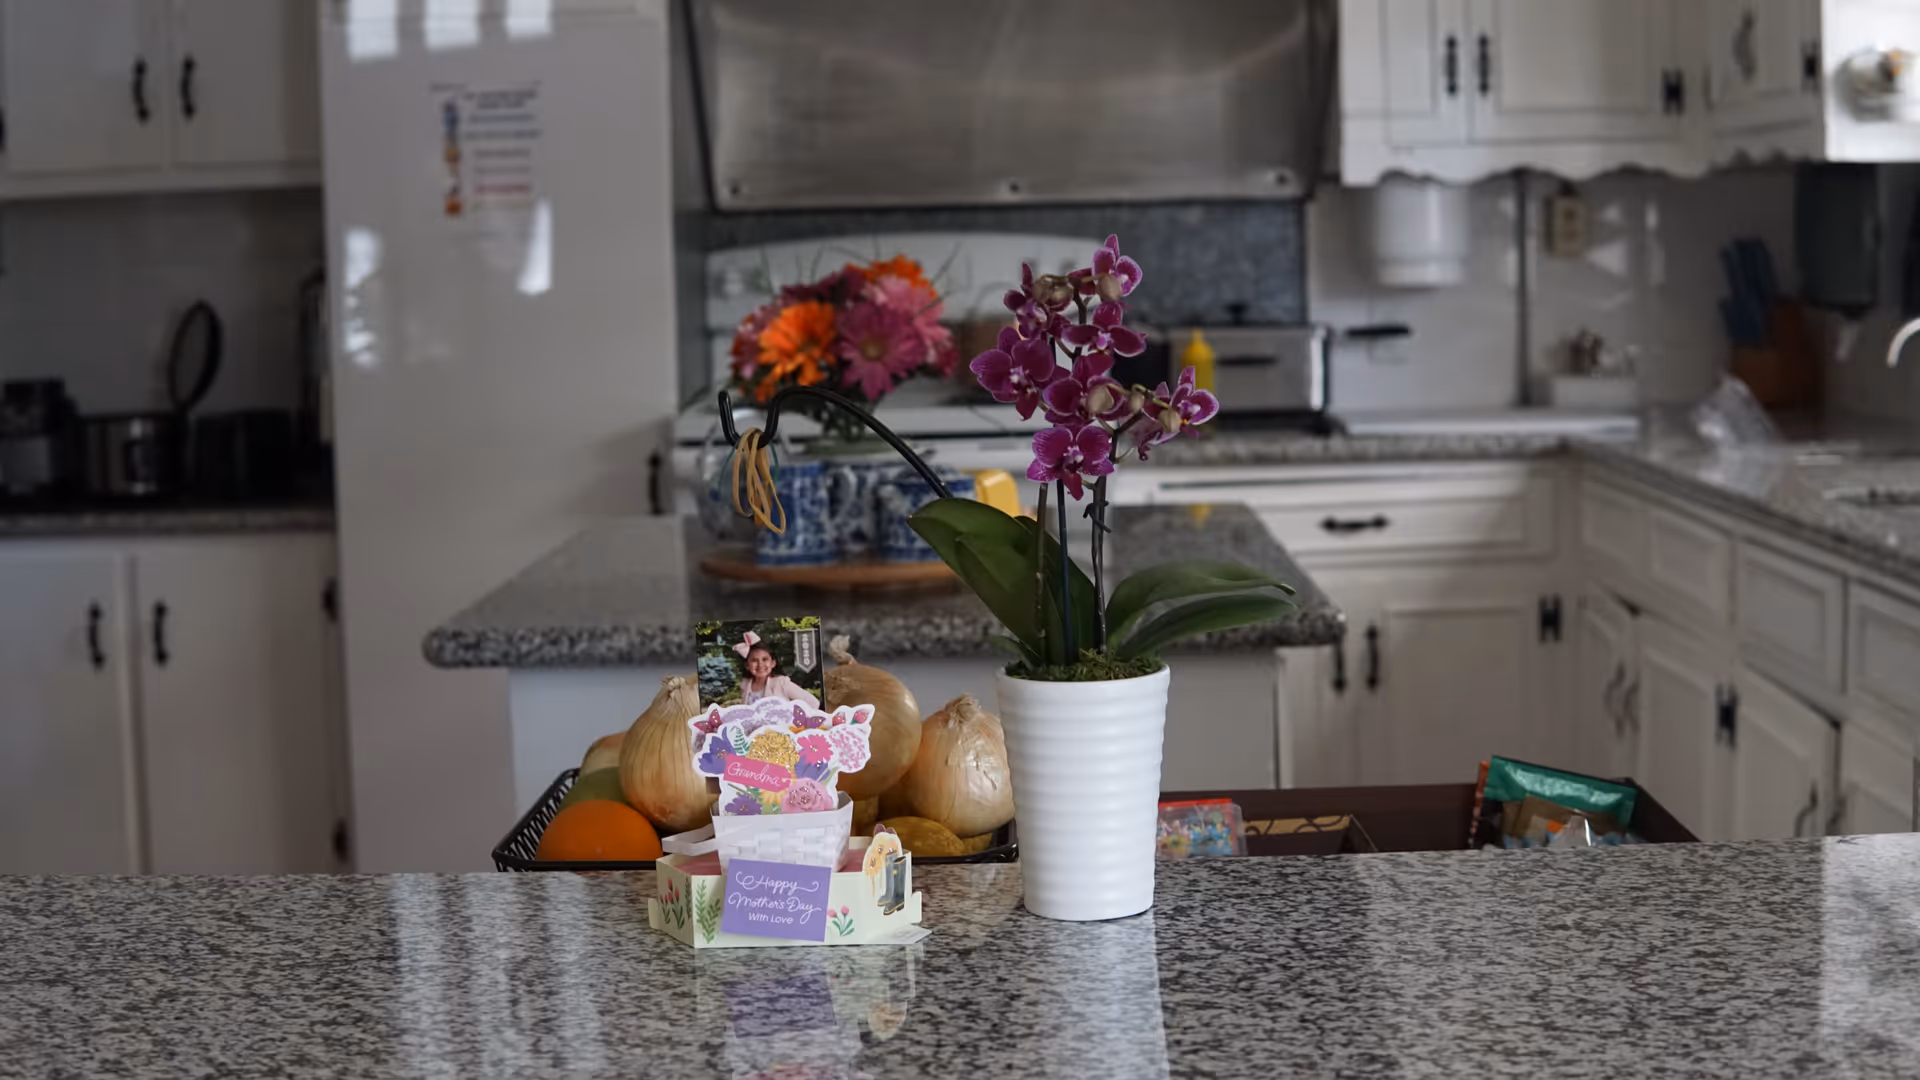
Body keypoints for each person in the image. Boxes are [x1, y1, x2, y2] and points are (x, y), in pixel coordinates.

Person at [739, 642, 819, 708]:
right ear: (747, 666)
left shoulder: (781, 683)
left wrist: (794, 721)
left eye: (765, 659)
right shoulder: (746, 685)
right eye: (754, 660)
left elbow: (813, 703)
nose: (760, 664)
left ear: (773, 663)